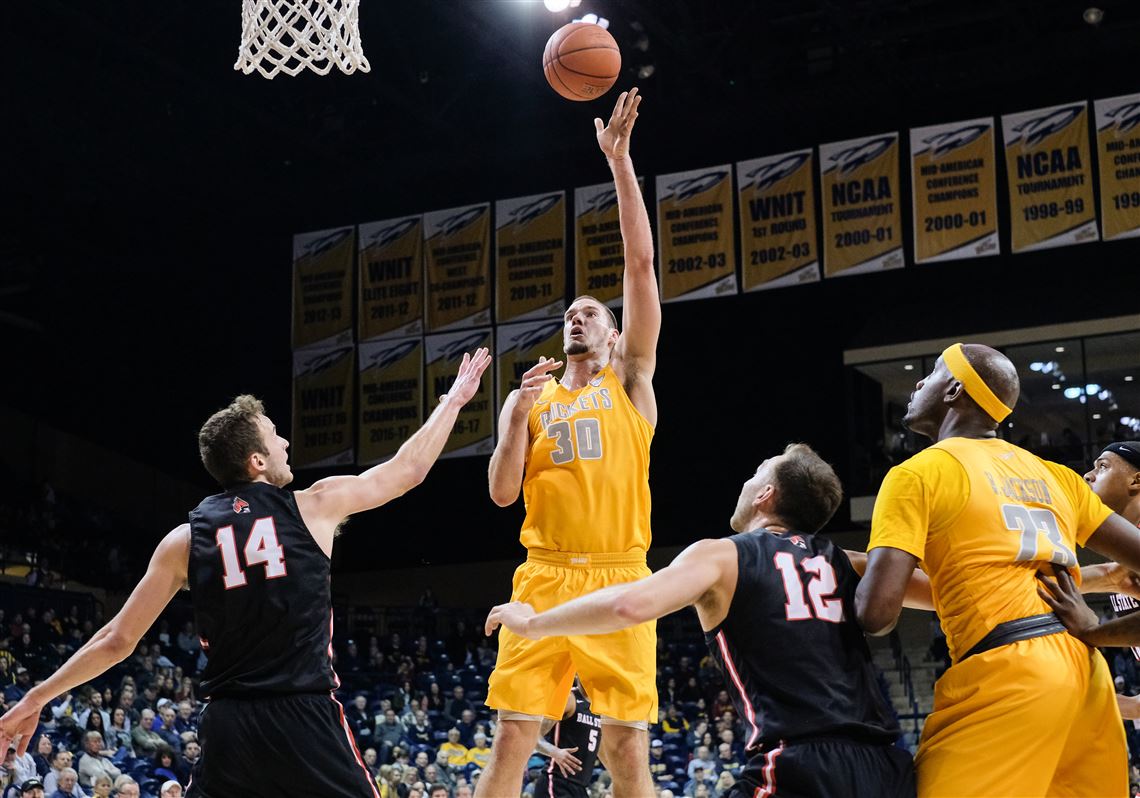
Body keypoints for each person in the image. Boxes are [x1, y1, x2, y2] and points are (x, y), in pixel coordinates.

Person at [0, 348, 491, 798]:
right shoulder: (313, 506)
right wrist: (454, 399)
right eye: (276, 435)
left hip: (230, 724)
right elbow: (407, 470)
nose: (285, 441)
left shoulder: (184, 539)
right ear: (257, 460)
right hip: (305, 714)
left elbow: (116, 639)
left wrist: (36, 697)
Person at [487, 443, 915, 797]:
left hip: (799, 765)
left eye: (756, 471)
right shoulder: (847, 562)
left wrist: (532, 623)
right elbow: (945, 590)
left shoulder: (725, 554)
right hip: (886, 768)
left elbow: (628, 606)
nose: (746, 481)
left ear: (765, 494)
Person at [855, 343, 1140, 797]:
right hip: (1087, 677)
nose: (917, 384)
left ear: (953, 390)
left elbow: (877, 614)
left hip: (1007, 671)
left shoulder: (918, 474)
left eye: (929, 376)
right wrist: (1103, 630)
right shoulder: (1058, 476)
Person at [481, 87, 660, 798]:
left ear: (613, 335)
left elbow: (641, 269)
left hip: (621, 572)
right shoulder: (531, 398)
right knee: (511, 742)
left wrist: (619, 163)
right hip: (544, 573)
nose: (577, 318)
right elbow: (500, 493)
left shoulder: (631, 380)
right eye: (570, 313)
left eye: (591, 312)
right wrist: (515, 418)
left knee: (625, 752)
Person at [533, 681, 600, 798]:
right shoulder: (568, 698)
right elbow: (533, 736)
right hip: (557, 782)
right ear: (576, 674)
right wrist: (555, 752)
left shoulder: (600, 708)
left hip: (581, 787)